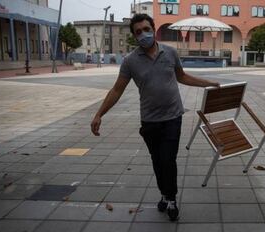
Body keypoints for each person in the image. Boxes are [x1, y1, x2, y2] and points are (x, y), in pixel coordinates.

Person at [90, 14, 219, 221]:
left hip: (173, 117)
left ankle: (172, 199)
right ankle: (164, 193)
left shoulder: (170, 52)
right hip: (149, 121)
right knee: (157, 161)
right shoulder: (131, 61)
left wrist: (209, 83)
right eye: (138, 31)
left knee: (168, 160)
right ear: (134, 35)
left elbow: (182, 76)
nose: (143, 34)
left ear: (153, 28)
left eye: (146, 29)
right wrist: (98, 114)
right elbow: (117, 90)